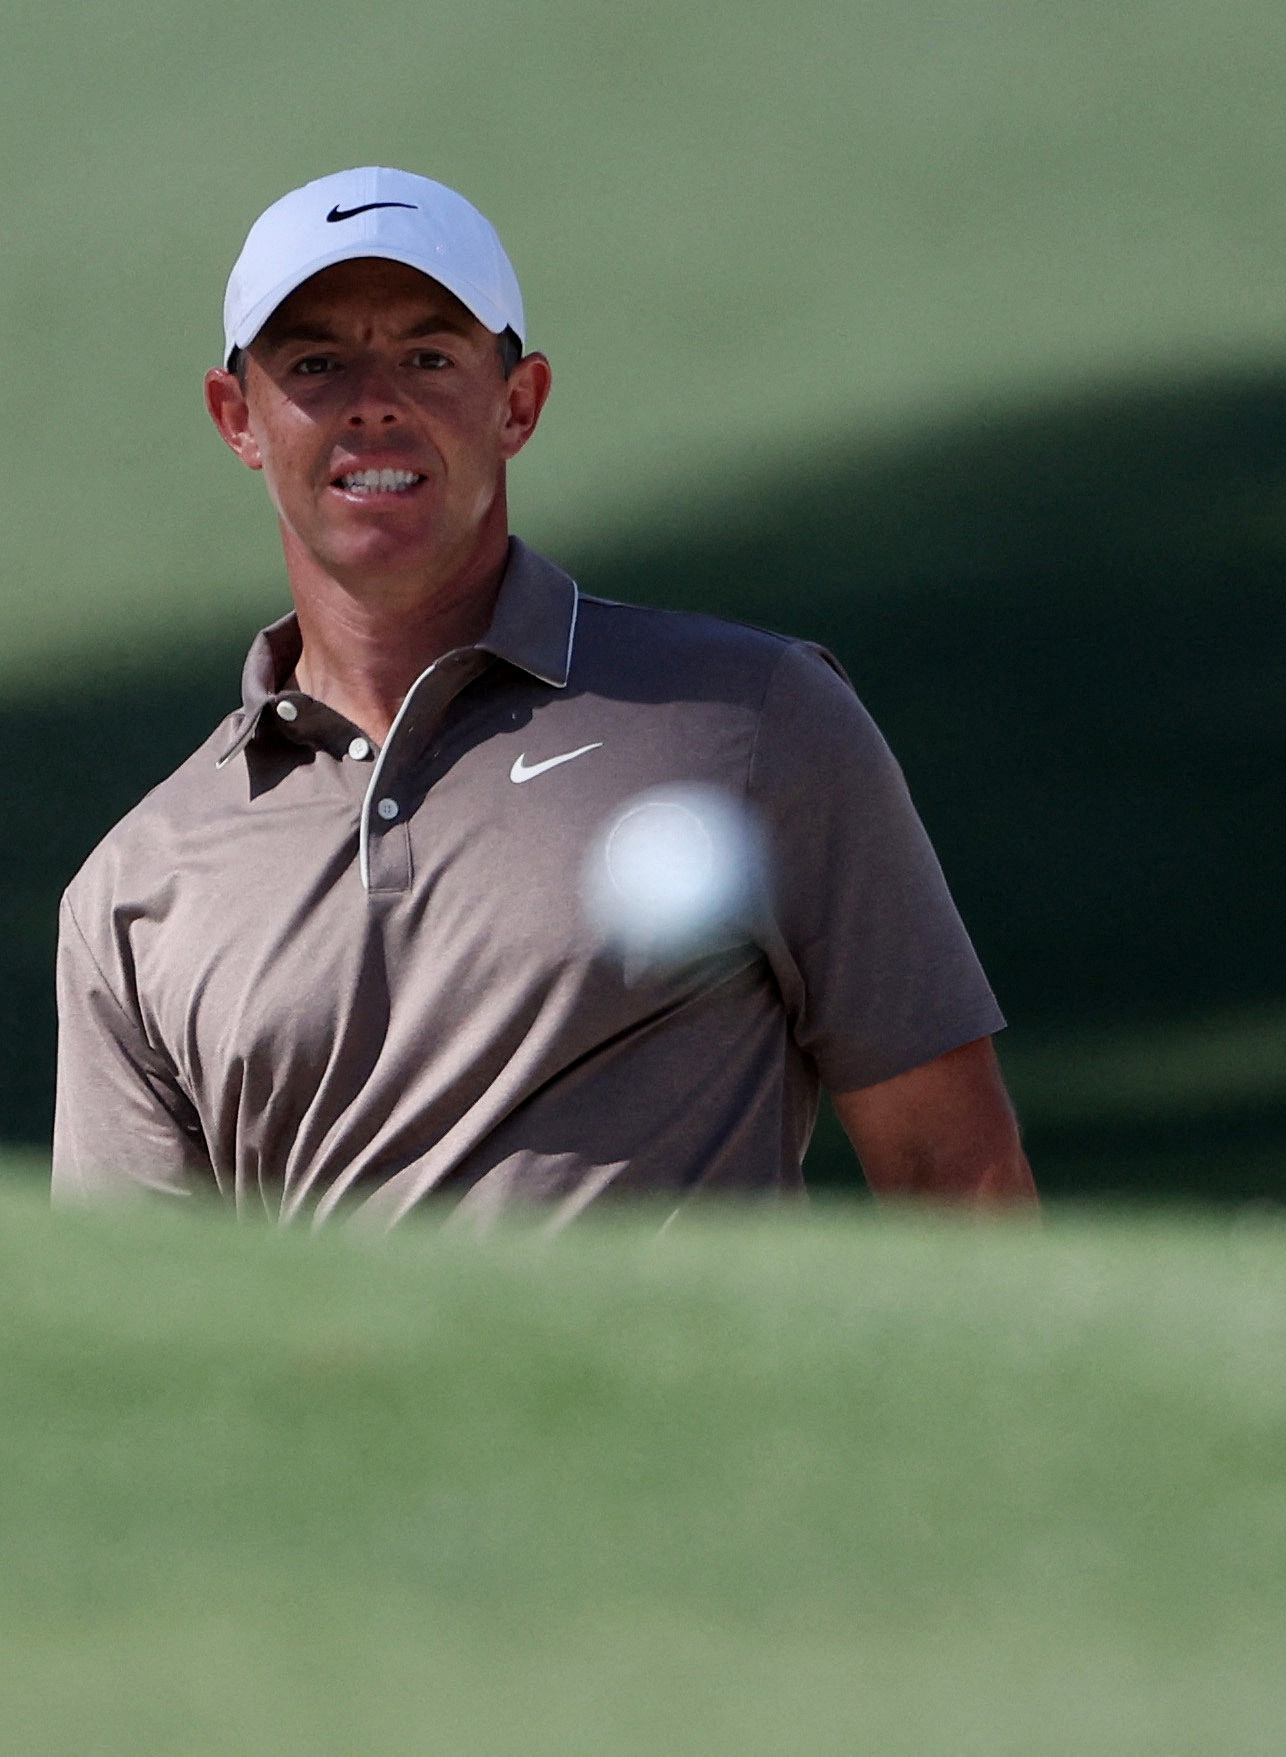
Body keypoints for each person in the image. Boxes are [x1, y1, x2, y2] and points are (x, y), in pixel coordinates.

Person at [53, 166, 1035, 1226]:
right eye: (315, 363)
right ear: (236, 418)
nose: (372, 400)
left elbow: (952, 1170)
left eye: (428, 357)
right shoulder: (137, 884)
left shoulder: (750, 716)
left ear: (516, 403)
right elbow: (130, 1319)